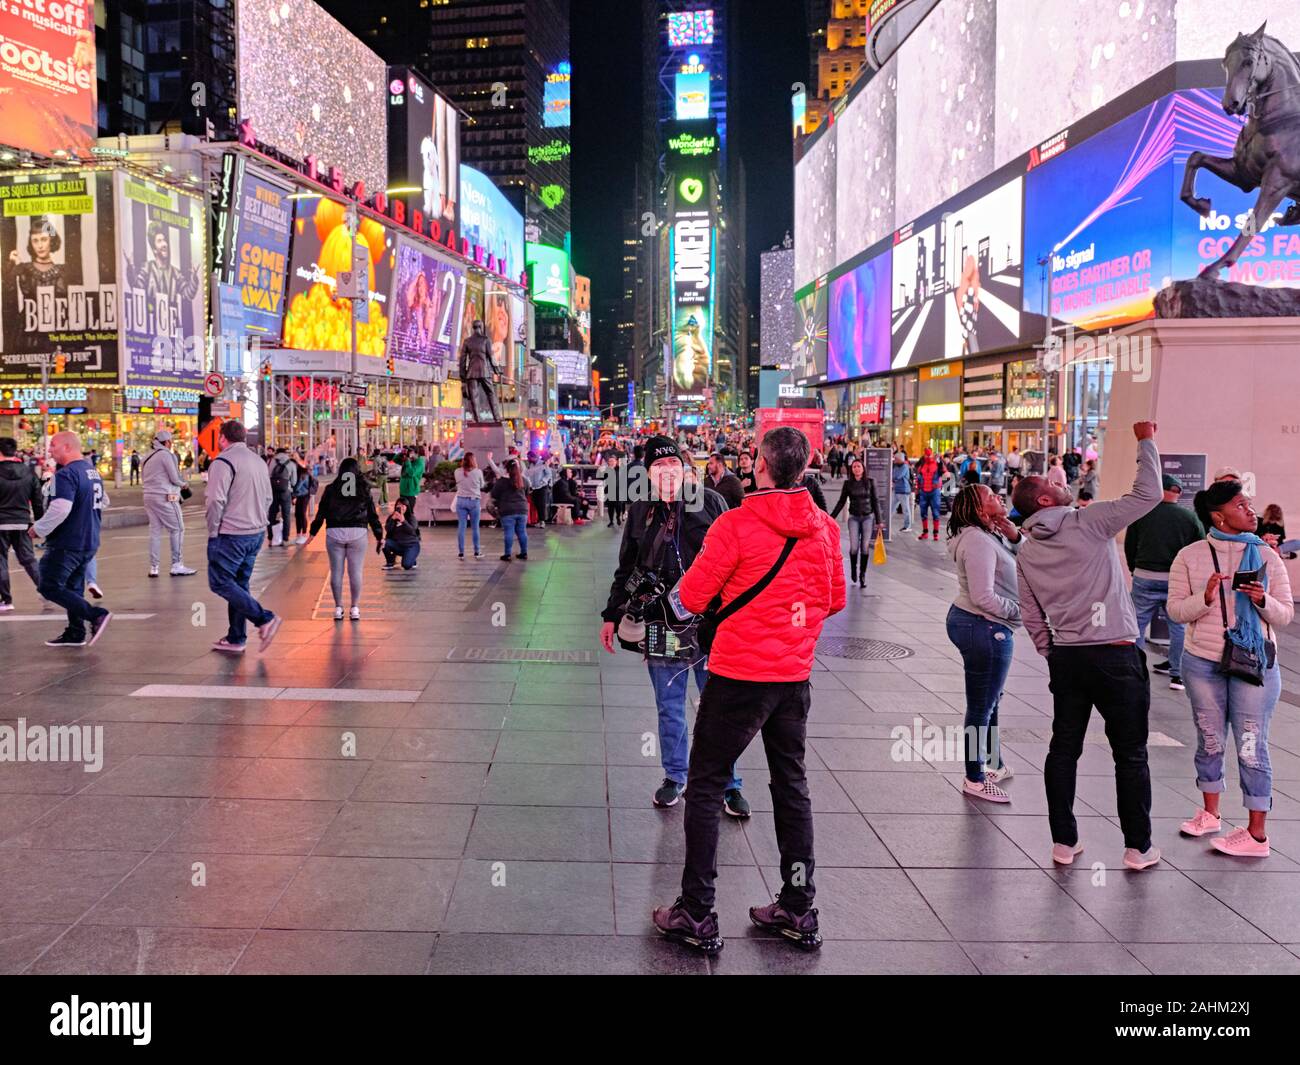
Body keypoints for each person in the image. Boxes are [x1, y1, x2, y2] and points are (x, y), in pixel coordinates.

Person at [652, 426, 844, 955]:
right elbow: (834, 600)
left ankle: (696, 911)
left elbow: (692, 595)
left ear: (760, 465)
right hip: (793, 677)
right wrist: (788, 623)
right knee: (791, 785)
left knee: (707, 783)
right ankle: (798, 907)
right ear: (803, 470)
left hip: (738, 676)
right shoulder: (825, 528)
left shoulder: (735, 525)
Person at [1014, 421, 1163, 871]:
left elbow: (1030, 612)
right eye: (1053, 483)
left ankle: (1064, 842)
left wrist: (1051, 650)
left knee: (1064, 748)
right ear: (1044, 500)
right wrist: (1145, 441)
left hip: (1069, 657)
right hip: (1115, 651)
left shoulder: (1026, 551)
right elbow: (1148, 494)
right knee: (1130, 752)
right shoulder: (1088, 521)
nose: (1061, 484)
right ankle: (1138, 848)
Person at [600, 435, 746, 814]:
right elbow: (627, 568)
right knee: (669, 705)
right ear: (648, 473)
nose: (667, 472)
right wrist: (611, 614)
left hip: (710, 623)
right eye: (659, 467)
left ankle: (727, 782)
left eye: (673, 465)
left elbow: (738, 558)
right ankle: (675, 776)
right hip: (661, 623)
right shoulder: (640, 511)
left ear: (685, 468)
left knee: (717, 705)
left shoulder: (710, 501)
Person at [1166, 482, 1294, 857]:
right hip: (1203, 661)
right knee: (1209, 739)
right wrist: (1204, 598)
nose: (1250, 511)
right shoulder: (1190, 556)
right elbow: (1175, 611)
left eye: (1249, 503)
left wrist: (1263, 600)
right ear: (1219, 515)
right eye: (1241, 505)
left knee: (1252, 746)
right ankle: (1210, 813)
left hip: (1254, 665)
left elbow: (1284, 615)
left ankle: (1256, 835)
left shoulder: (1267, 557)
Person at [946, 484, 1021, 801]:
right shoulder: (977, 541)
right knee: (981, 705)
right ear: (978, 510)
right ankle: (975, 778)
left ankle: (993, 762)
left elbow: (1023, 558)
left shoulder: (984, 535)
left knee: (990, 699)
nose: (999, 498)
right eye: (991, 497)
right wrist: (1019, 612)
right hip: (985, 626)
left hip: (980, 624)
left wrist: (1014, 536)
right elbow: (983, 596)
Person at [205, 421, 281, 655]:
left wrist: (213, 530)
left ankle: (263, 618)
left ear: (222, 438)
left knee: (219, 581)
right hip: (255, 533)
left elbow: (215, 500)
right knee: (239, 584)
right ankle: (236, 637)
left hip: (232, 533)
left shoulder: (223, 461)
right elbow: (269, 498)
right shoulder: (258, 461)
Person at [1124, 475, 1205, 692]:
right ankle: (1177, 676)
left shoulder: (1142, 515)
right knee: (1178, 627)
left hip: (1144, 575)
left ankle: (1136, 672)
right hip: (1175, 579)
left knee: (1137, 625)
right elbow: (1199, 550)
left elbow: (1130, 545)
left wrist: (1134, 569)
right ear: (1177, 492)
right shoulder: (1189, 517)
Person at [31, 431, 111, 647]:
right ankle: (75, 632)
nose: (50, 450)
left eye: (53, 445)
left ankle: (96, 615)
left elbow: (60, 508)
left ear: (67, 447)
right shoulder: (91, 471)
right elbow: (104, 501)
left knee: (49, 586)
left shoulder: (64, 475)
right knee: (73, 587)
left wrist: (38, 528)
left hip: (67, 542)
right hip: (88, 540)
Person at [308, 456, 384, 621]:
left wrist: (313, 532)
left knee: (336, 572)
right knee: (355, 571)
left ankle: (338, 608)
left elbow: (321, 512)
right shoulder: (364, 488)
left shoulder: (330, 489)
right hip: (358, 533)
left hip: (335, 532)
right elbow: (372, 514)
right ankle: (355, 608)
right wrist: (379, 535)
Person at [140, 429, 196, 578]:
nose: (171, 444)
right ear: (166, 442)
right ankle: (177, 564)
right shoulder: (167, 455)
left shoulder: (145, 458)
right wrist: (184, 484)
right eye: (170, 441)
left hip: (148, 496)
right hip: (165, 496)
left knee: (155, 532)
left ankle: (154, 567)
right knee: (177, 528)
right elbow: (174, 478)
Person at [0, 436, 44, 611]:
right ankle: (48, 590)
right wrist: (39, 524)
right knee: (28, 559)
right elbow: (38, 500)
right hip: (22, 522)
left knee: (0, 561)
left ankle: (6, 600)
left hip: (1, 523)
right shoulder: (28, 472)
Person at [830, 457, 882, 589]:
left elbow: (875, 501)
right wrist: (831, 517)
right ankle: (853, 569)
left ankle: (862, 575)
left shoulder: (870, 482)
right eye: (854, 467)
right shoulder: (848, 484)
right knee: (854, 547)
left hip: (867, 518)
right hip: (853, 518)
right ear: (851, 469)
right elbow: (841, 502)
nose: (857, 469)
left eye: (859, 466)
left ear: (863, 468)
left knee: (864, 547)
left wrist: (879, 520)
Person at [490, 458, 530, 560]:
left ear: (506, 469)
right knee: (522, 531)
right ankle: (524, 552)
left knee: (509, 532)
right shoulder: (523, 480)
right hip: (522, 510)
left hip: (507, 510)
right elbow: (527, 492)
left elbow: (494, 494)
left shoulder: (501, 481)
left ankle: (507, 554)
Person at [454, 451, 490, 559]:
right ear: (474, 461)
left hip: (460, 501)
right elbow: (482, 485)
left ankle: (461, 552)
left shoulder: (457, 471)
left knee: (461, 527)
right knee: (475, 528)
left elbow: (458, 483)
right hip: (474, 501)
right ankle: (477, 551)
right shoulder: (478, 472)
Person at [266, 446, 297, 547]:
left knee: (272, 514)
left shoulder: (271, 462)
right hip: (286, 492)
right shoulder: (291, 463)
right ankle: (285, 539)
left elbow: (267, 476)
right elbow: (294, 481)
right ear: (286, 453)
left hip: (273, 491)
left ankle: (271, 539)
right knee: (286, 515)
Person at [914, 447, 944, 540]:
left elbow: (944, 472)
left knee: (935, 513)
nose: (928, 456)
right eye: (926, 454)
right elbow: (918, 478)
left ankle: (935, 534)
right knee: (923, 513)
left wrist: (940, 461)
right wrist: (917, 489)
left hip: (934, 492)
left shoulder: (938, 464)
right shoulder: (921, 466)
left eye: (929, 454)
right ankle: (925, 532)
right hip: (924, 492)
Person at [291, 451, 317, 546]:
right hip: (299, 495)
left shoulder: (303, 473)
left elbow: (298, 485)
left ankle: (304, 534)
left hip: (304, 495)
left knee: (302, 514)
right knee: (298, 514)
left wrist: (292, 493)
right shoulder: (299, 471)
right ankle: (298, 535)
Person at [525, 451, 553, 525]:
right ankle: (538, 520)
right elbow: (528, 475)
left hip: (542, 486)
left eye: (529, 458)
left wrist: (543, 481)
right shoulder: (531, 465)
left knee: (541, 503)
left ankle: (542, 521)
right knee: (536, 503)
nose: (528, 459)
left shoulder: (542, 463)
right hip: (534, 487)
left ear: (534, 457)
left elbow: (548, 474)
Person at [891, 449, 914, 531]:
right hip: (896, 489)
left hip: (904, 490)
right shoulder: (896, 466)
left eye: (896, 459)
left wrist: (893, 478)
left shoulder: (905, 466)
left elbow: (897, 476)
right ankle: (886, 523)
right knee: (891, 508)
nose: (895, 460)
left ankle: (907, 526)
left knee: (906, 509)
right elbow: (893, 475)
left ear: (900, 459)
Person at [399, 447, 425, 512]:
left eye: (411, 453)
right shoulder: (409, 461)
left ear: (417, 454)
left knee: (409, 513)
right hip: (403, 490)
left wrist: (408, 462)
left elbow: (412, 473)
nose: (409, 454)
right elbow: (395, 459)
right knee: (403, 512)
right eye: (409, 452)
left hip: (411, 491)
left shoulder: (419, 463)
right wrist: (402, 454)